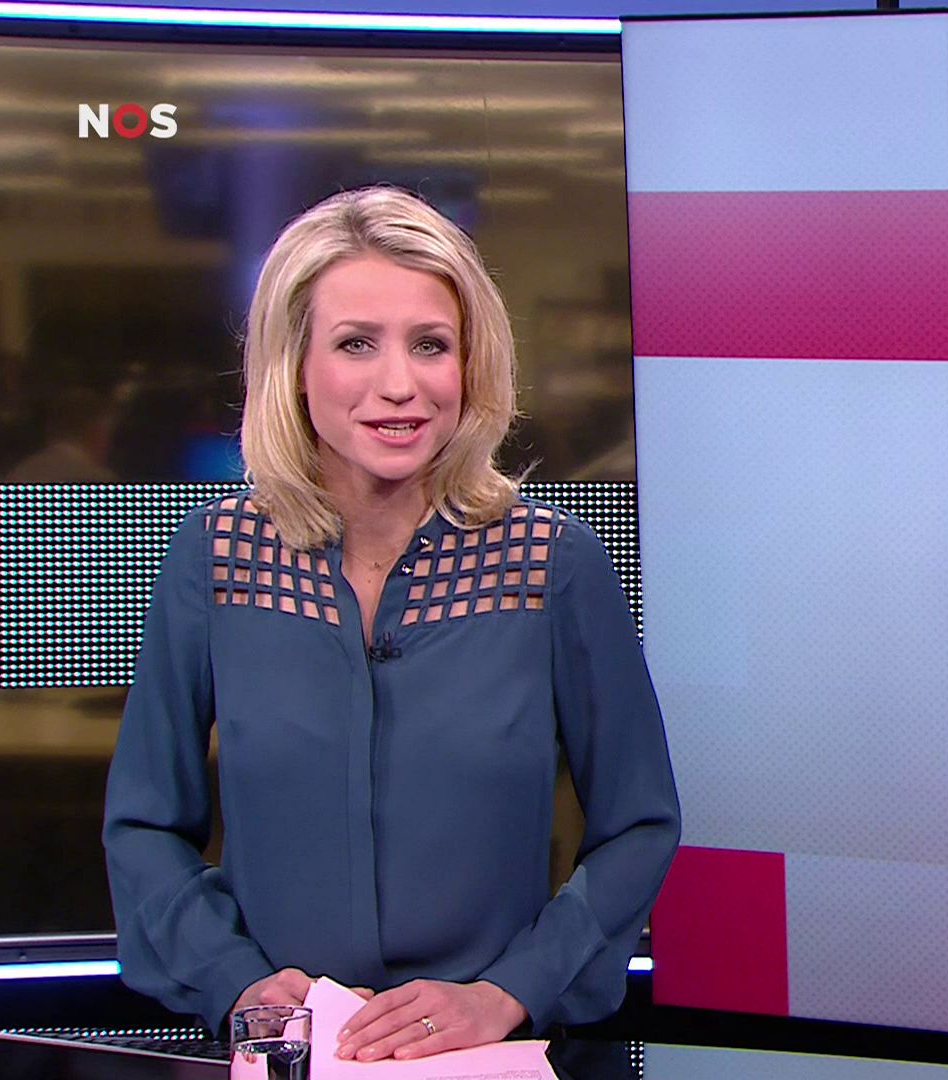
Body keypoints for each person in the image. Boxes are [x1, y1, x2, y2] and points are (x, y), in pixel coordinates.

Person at [102, 185, 679, 1063]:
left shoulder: (551, 564)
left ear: (470, 365)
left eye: (430, 344)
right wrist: (236, 982)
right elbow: (144, 825)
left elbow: (639, 823)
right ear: (295, 364)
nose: (400, 384)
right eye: (356, 344)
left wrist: (508, 992)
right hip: (289, 1052)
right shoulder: (217, 557)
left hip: (490, 1057)